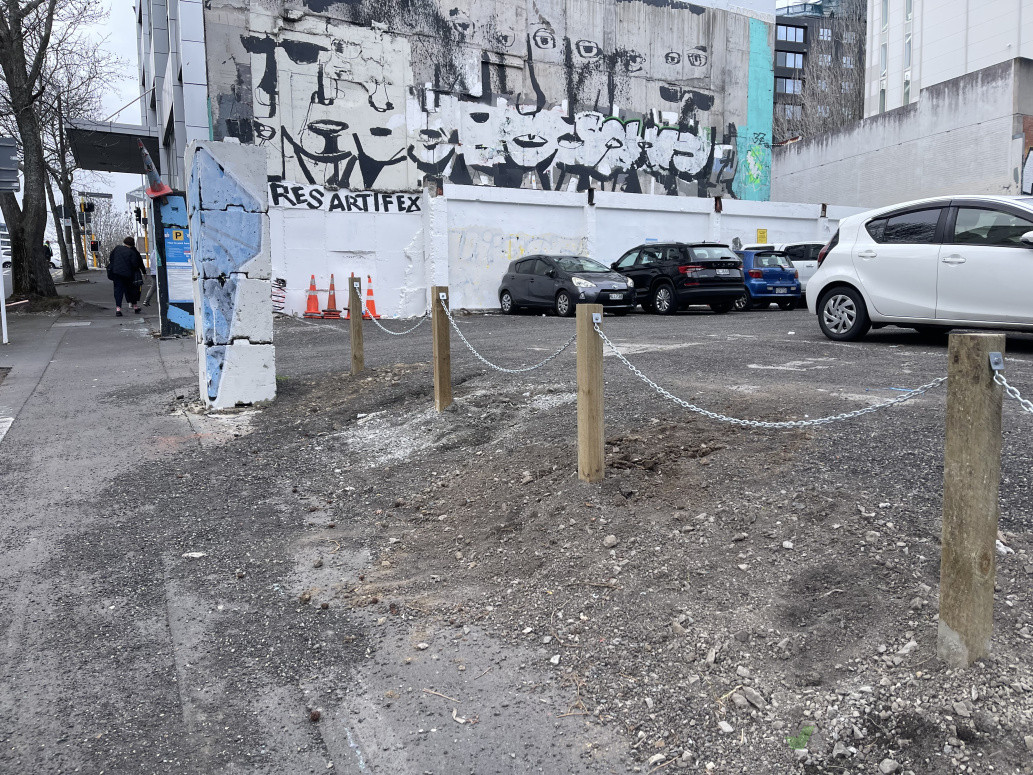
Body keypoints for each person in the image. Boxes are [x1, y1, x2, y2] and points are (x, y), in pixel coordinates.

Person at [106, 237, 146, 316]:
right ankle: (135, 307)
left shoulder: (117, 248)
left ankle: (118, 309)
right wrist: (143, 272)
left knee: (118, 291)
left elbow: (111, 258)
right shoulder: (132, 252)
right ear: (132, 244)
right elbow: (135, 264)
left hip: (116, 274)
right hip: (128, 275)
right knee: (131, 290)